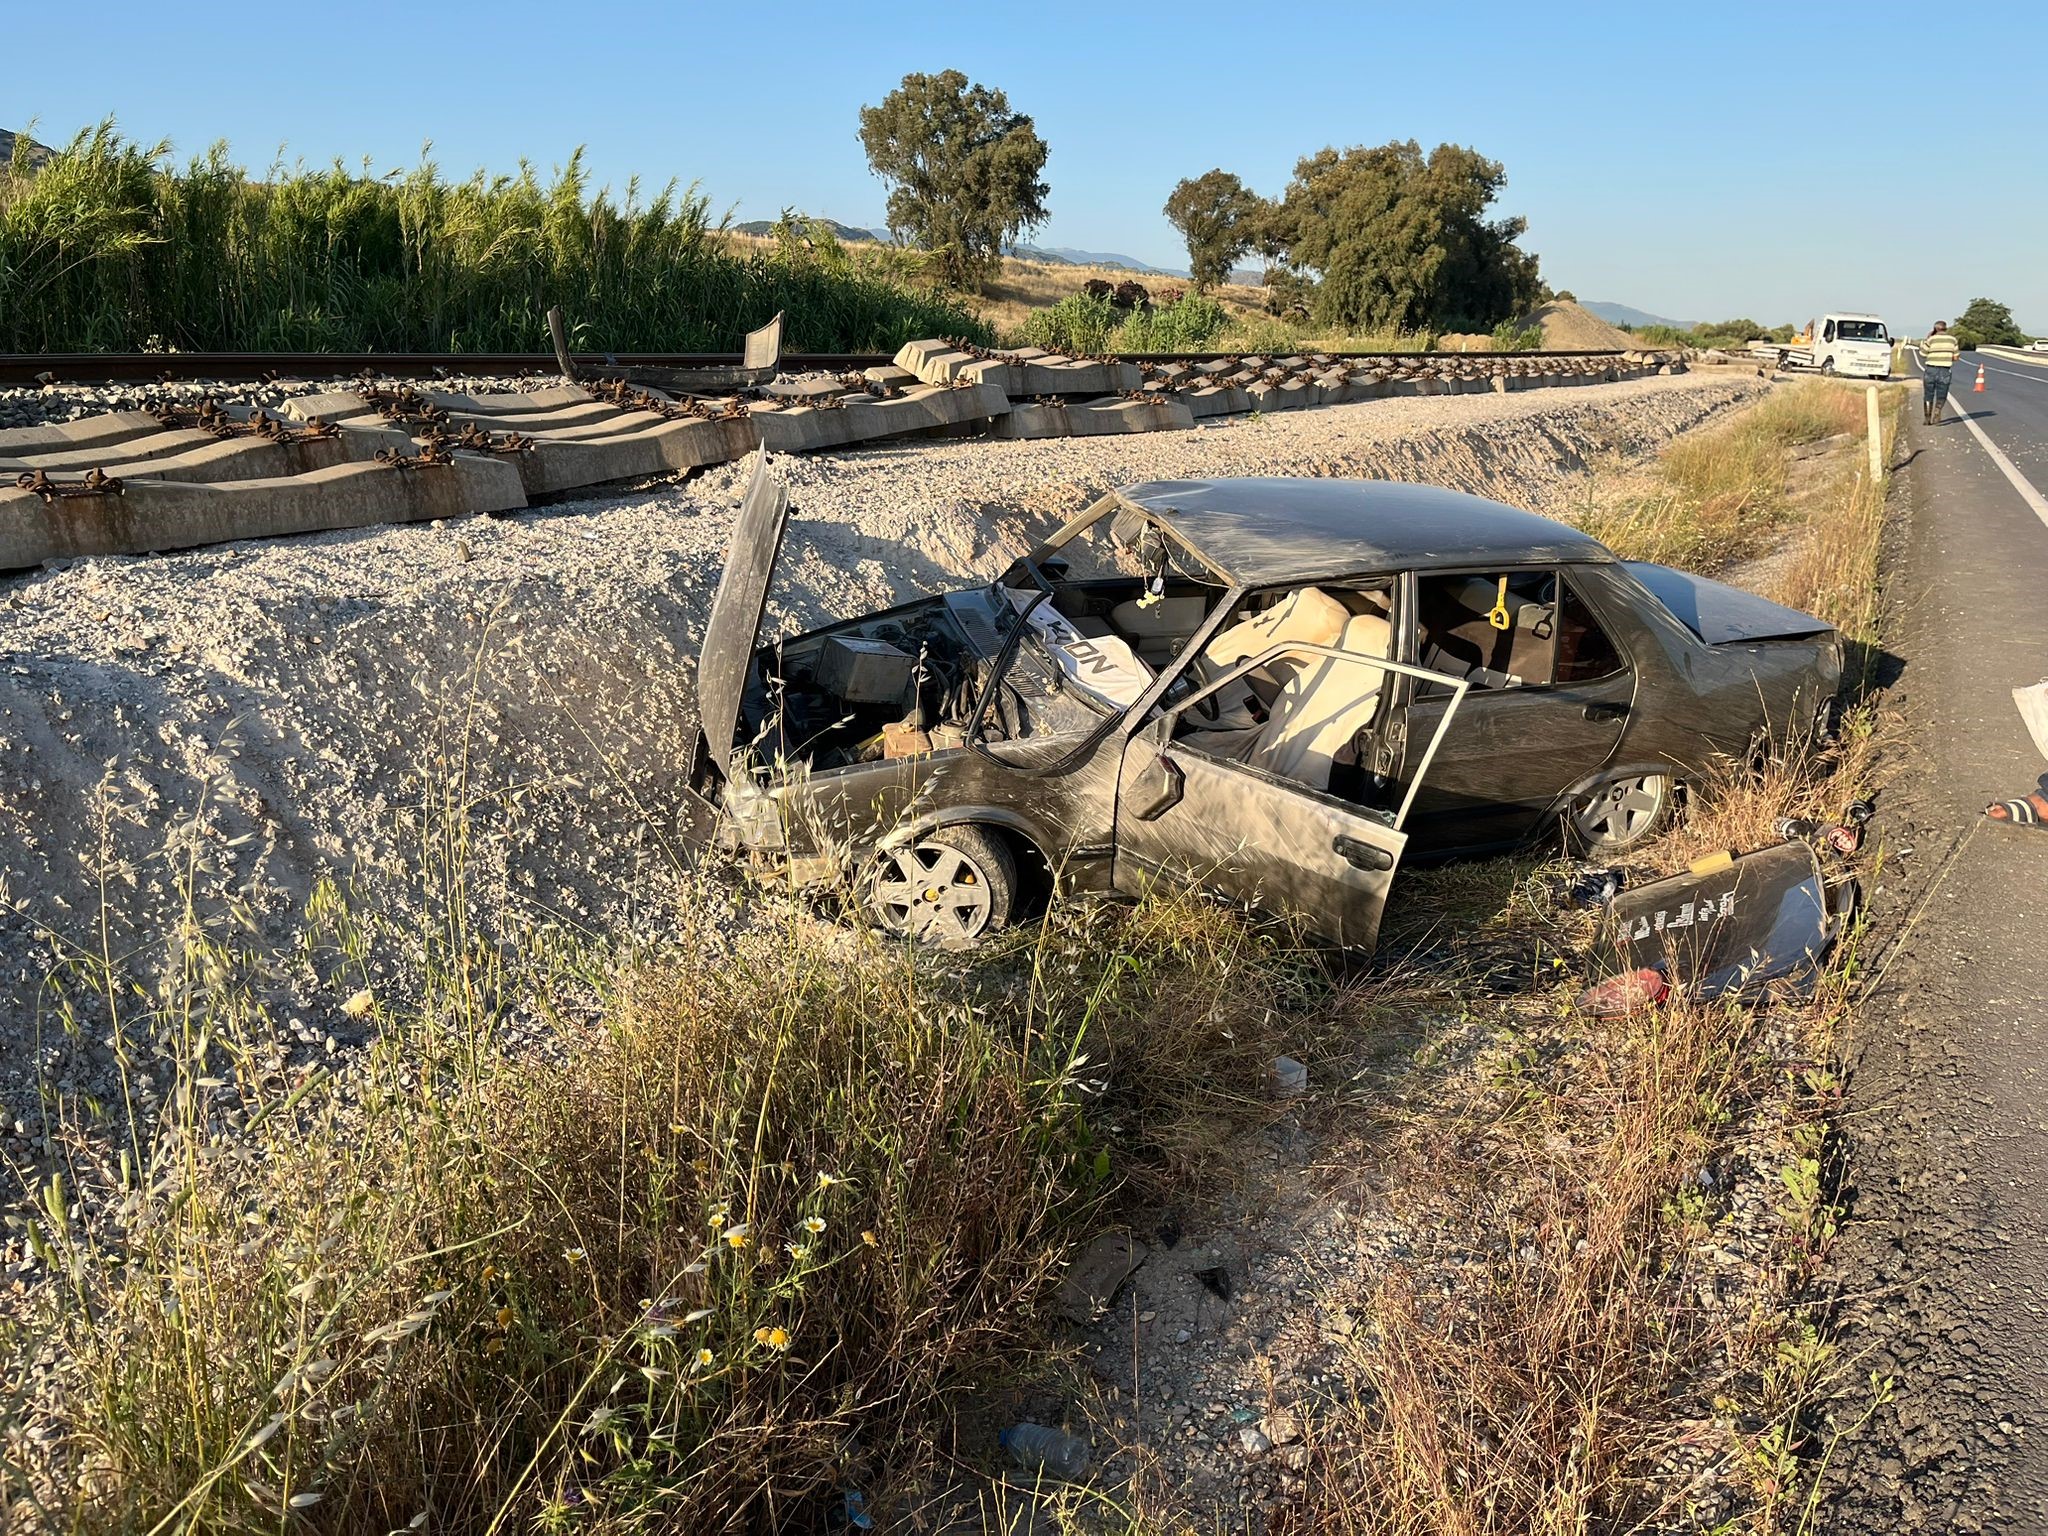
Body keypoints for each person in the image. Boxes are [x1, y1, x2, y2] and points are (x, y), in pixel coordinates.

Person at [1921, 321, 1962, 425]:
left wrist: (1928, 339)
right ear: (1945, 329)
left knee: (1928, 394)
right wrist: (1946, 357)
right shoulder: (1953, 340)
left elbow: (1922, 353)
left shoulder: (1931, 339)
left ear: (1935, 329)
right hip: (1945, 370)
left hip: (1931, 369)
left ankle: (1927, 418)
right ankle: (1937, 411)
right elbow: (1956, 357)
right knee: (1942, 394)